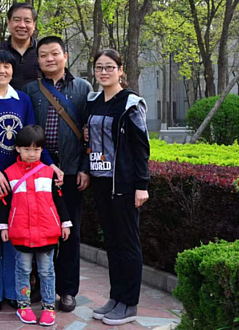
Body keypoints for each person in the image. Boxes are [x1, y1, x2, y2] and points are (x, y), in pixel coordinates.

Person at [0, 51, 62, 312]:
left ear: (13, 71)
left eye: (7, 66)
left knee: (14, 237)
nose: (2, 71)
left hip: (21, 182)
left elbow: (33, 138)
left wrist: (49, 164)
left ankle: (14, 291)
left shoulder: (23, 100)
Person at [23, 36, 92, 312]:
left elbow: (90, 133)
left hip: (73, 171)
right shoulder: (30, 91)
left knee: (69, 232)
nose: (49, 59)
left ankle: (67, 290)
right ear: (38, 60)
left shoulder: (83, 88)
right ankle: (40, 285)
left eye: (54, 53)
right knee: (39, 230)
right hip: (40, 172)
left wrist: (85, 168)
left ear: (65, 56)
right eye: (43, 55)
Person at [85, 49, 150, 326]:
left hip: (123, 183)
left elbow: (141, 147)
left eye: (110, 67)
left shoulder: (131, 103)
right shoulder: (93, 101)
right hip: (101, 181)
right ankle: (115, 298)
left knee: (128, 242)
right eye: (99, 67)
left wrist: (141, 185)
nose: (104, 72)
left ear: (120, 71)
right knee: (112, 242)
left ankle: (129, 303)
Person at [0, 125, 71, 326]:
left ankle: (48, 307)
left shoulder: (49, 173)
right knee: (22, 270)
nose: (32, 154)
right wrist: (4, 226)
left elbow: (59, 200)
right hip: (21, 233)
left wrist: (65, 223)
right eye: (27, 149)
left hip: (47, 233)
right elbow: (5, 203)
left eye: (37, 149)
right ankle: (24, 305)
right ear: (18, 149)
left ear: (42, 150)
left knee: (47, 271)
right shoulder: (10, 174)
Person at [0, 3, 40, 90]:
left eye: (27, 21)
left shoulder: (43, 52)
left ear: (34, 25)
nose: (22, 25)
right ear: (8, 23)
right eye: (17, 20)